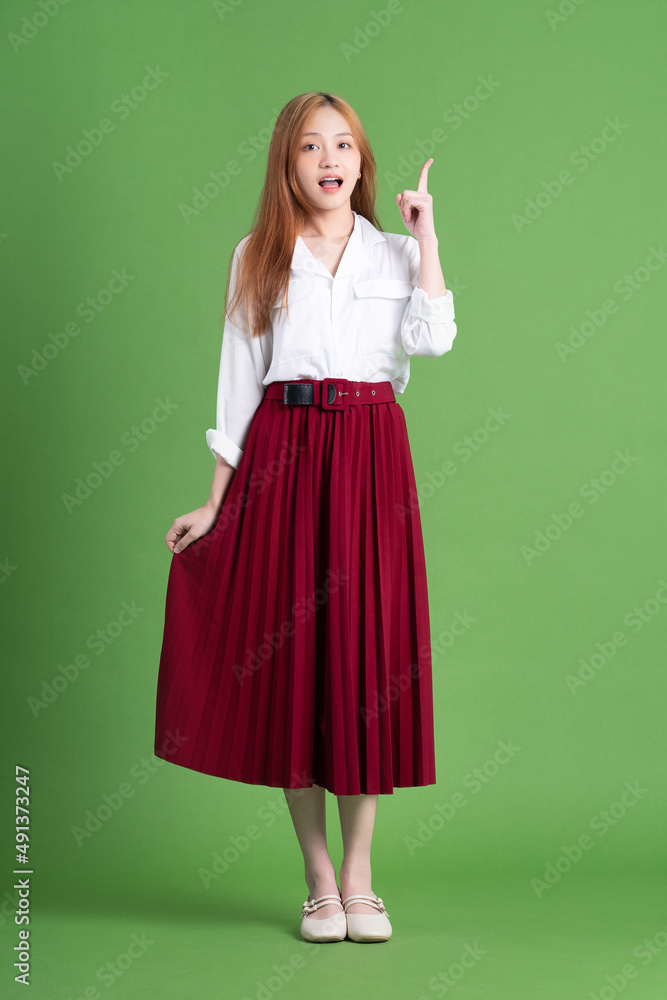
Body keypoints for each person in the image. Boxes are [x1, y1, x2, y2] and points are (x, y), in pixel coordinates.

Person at [153, 91, 458, 944]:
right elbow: (237, 379)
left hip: (369, 458)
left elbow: (433, 340)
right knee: (295, 667)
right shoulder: (257, 255)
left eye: (343, 146)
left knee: (364, 664)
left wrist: (427, 233)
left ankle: (362, 881)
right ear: (288, 165)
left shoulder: (398, 254)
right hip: (283, 457)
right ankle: (318, 884)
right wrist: (217, 498)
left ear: (362, 163)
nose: (328, 160)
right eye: (309, 148)